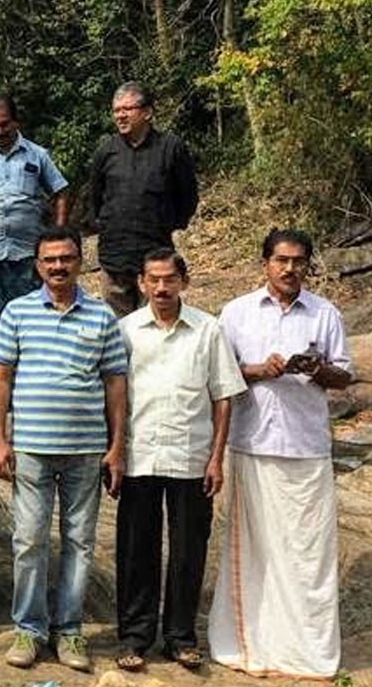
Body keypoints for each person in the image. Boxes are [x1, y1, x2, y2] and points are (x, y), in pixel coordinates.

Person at [208, 229, 352, 680]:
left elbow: (344, 376)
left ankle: (306, 650)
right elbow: (217, 376)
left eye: (299, 262)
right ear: (265, 263)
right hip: (252, 445)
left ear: (308, 266)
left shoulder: (324, 313)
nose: (290, 269)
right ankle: (249, 644)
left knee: (309, 555)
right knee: (254, 553)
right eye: (281, 260)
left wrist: (318, 369)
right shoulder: (236, 313)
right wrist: (256, 369)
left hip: (307, 448)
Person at [0, 226, 128, 672]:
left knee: (79, 542)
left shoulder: (102, 316)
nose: (58, 266)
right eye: (49, 260)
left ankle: (69, 632)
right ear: (38, 265)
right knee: (29, 540)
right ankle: (28, 631)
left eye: (66, 258)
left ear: (80, 260)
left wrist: (116, 446)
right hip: (30, 447)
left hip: (86, 449)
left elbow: (115, 383)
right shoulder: (18, 312)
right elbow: (0, 376)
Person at [114, 248, 246, 671]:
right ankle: (135, 637)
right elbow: (114, 395)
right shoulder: (126, 330)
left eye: (169, 279)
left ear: (184, 282)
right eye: (153, 279)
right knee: (137, 550)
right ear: (141, 283)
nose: (161, 287)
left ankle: (180, 637)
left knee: (189, 550)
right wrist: (114, 451)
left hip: (192, 457)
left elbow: (223, 396)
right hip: (139, 457)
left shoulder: (208, 330)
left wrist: (216, 458)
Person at [0, 94, 70, 415]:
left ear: (16, 122)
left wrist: (57, 238)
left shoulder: (37, 155)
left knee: (34, 323)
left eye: (3, 124)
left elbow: (60, 192)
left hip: (29, 258)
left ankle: (32, 390)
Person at [89, 81, 199, 316]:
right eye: (116, 110)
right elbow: (96, 200)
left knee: (156, 324)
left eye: (127, 109)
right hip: (114, 257)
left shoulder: (171, 148)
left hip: (156, 257)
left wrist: (168, 223)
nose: (120, 115)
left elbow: (188, 197)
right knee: (117, 330)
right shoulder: (105, 151)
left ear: (147, 112)